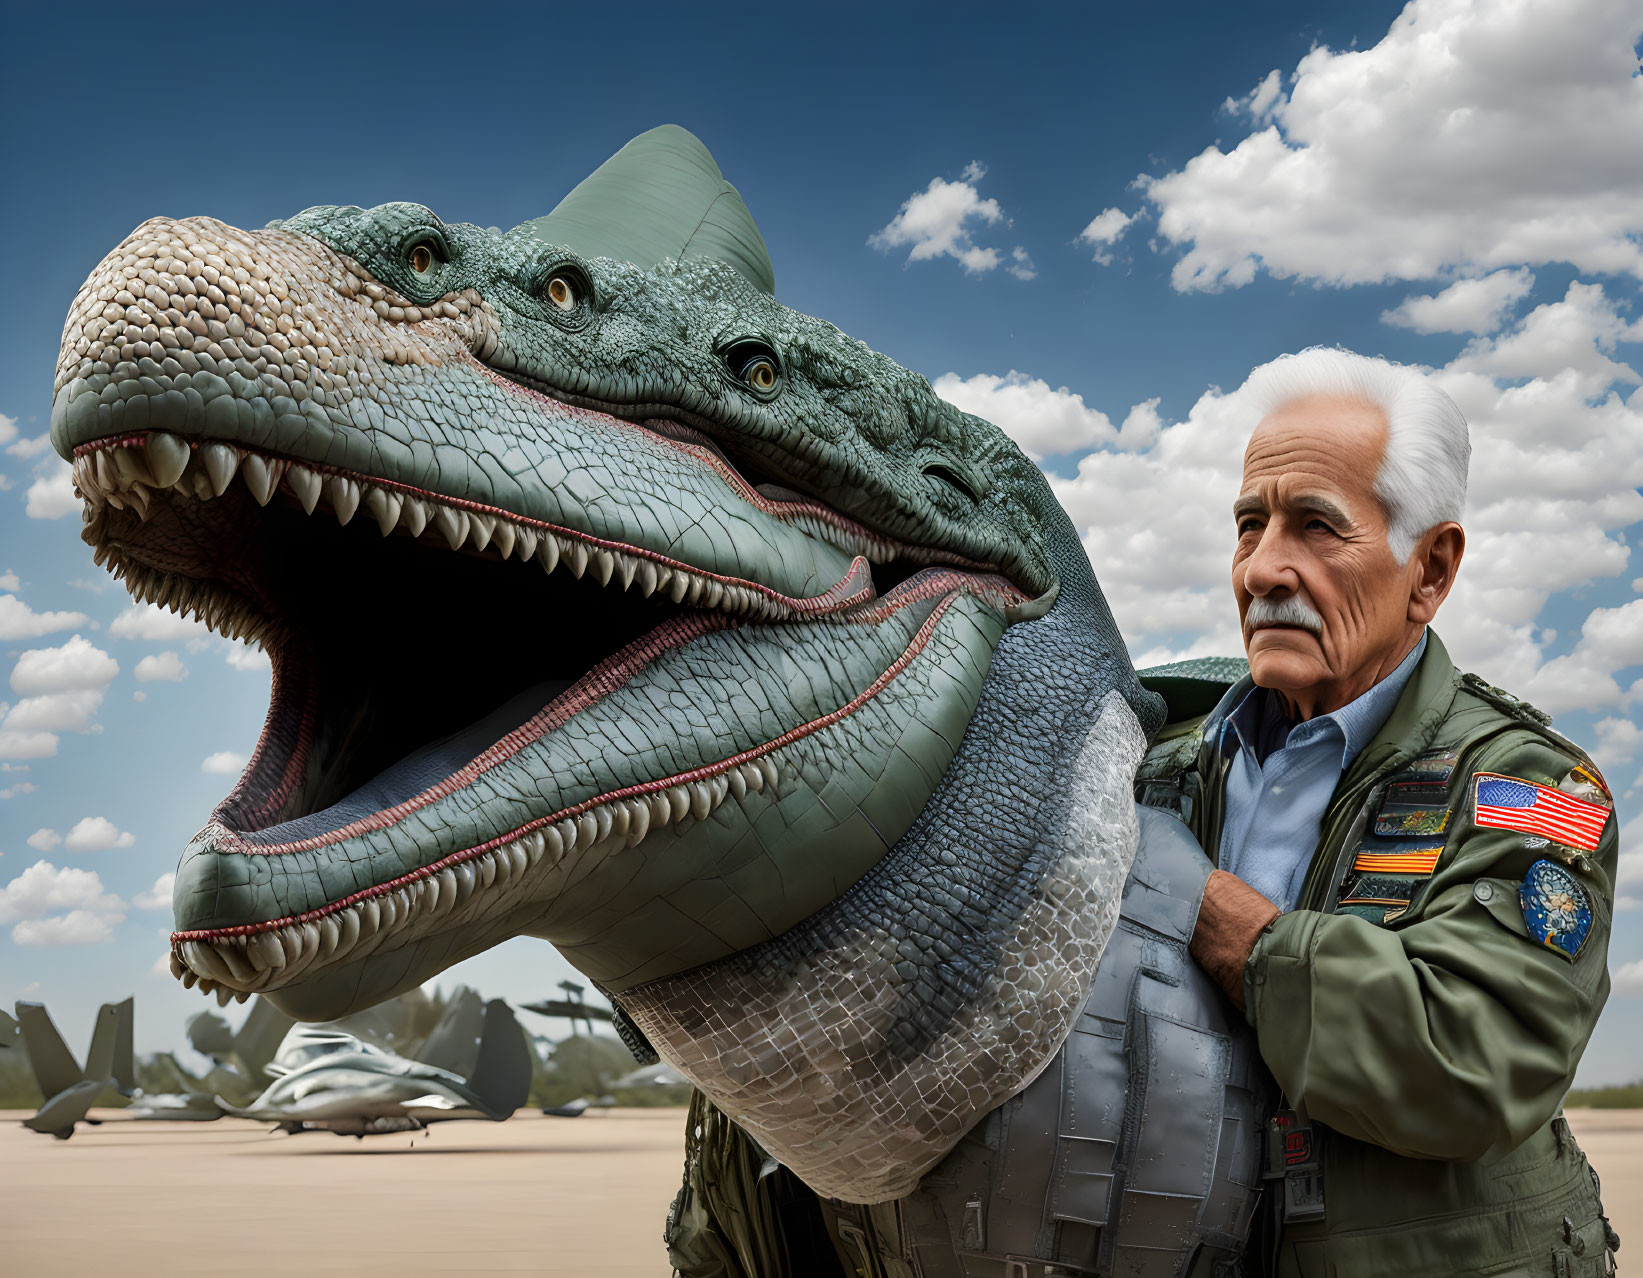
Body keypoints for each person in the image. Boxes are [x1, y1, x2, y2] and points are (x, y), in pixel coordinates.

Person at [1172, 346, 1621, 1275]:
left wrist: (1236, 935)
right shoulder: (1158, 769)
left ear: (1430, 569)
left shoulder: (1537, 789)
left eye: (1314, 528)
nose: (1262, 570)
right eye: (1248, 525)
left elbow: (1480, 1057)